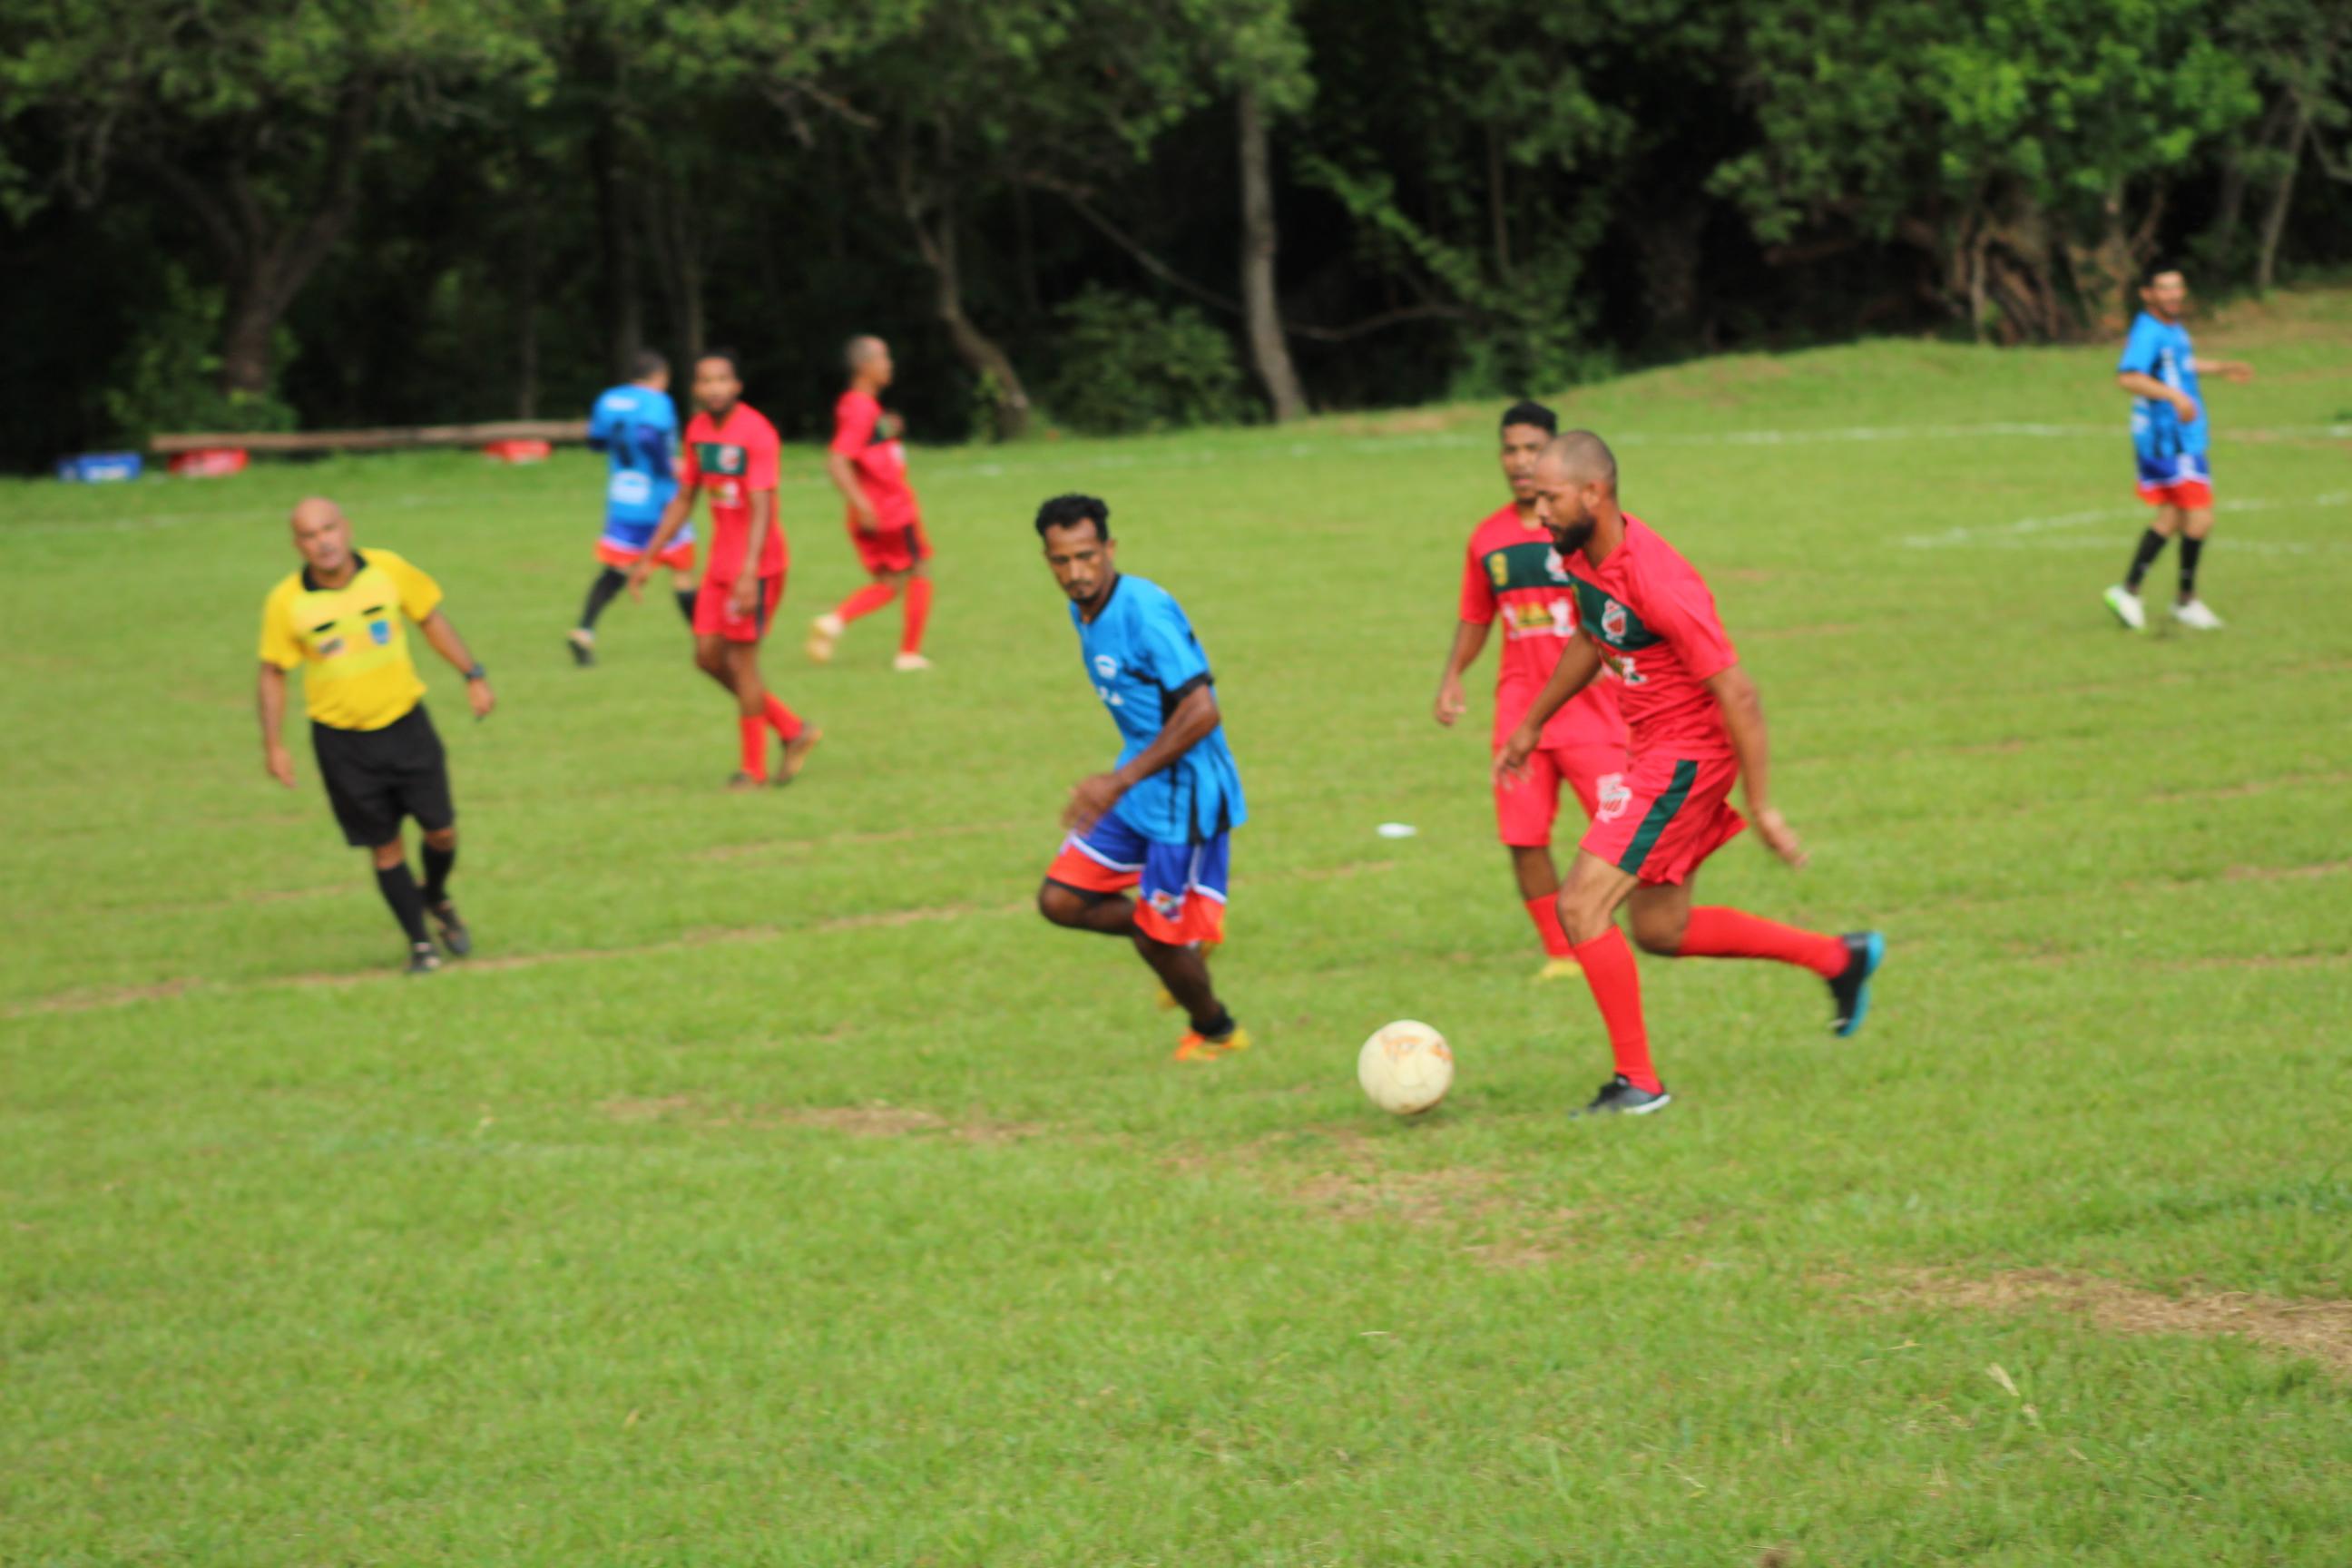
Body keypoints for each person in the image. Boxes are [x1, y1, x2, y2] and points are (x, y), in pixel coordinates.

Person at [1497, 433, 1883, 1116]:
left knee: (1581, 905)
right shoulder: (1582, 554)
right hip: (1651, 752)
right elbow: (1593, 634)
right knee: (1660, 929)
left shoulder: (1659, 580)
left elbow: (1741, 694)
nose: (1539, 508)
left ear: (1594, 494)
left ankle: (1638, 1084)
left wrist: (1763, 806)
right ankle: (1837, 957)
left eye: (1551, 496)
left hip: (1683, 761)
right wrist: (1532, 724)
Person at [1033, 494, 1250, 1062]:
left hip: (1188, 798)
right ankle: (1178, 937)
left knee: (1158, 941)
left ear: (1109, 549)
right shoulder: (1084, 611)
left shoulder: (1145, 613)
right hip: (1140, 787)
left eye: (1086, 556)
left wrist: (1119, 780)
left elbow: (1202, 712)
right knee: (1061, 900)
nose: (1076, 573)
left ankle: (1218, 1032)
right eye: (1061, 561)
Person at [257, 498, 495, 975]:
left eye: (328, 529)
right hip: (343, 743)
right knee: (385, 847)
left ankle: (436, 896)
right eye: (309, 535)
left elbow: (429, 618)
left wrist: (472, 674)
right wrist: (274, 745)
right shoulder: (287, 602)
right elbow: (273, 672)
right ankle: (420, 945)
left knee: (442, 831)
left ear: (346, 528)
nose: (322, 542)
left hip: (407, 725)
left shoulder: (388, 569)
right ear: (297, 544)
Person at [1436, 400, 1630, 982]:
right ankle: (1562, 953)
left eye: (1532, 449)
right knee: (1523, 838)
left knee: (1623, 834)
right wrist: (1453, 674)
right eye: (1510, 450)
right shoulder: (1487, 539)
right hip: (1520, 713)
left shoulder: (1586, 529)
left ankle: (1627, 923)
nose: (1520, 461)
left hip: (1594, 712)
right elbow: (1476, 615)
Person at [628, 349, 820, 789]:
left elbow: (762, 505)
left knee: (741, 662)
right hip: (720, 565)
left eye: (722, 380)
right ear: (695, 389)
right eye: (706, 381)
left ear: (736, 386)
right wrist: (648, 557)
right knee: (707, 658)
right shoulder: (697, 431)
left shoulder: (756, 432)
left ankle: (752, 770)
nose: (714, 388)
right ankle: (792, 729)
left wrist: (750, 572)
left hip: (757, 565)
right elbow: (684, 498)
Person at [2103, 265, 2254, 632]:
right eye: (2164, 288)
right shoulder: (2148, 331)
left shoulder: (2172, 328)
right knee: (2200, 517)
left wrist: (2220, 367)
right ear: (2147, 294)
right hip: (2167, 439)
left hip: (2182, 437)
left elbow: (2177, 364)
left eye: (2177, 287)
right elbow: (2128, 376)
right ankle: (2183, 600)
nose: (2173, 295)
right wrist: (2175, 397)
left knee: (2173, 517)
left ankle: (2131, 591)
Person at [806, 335, 935, 671]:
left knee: (889, 585)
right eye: (884, 358)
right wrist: (862, 504)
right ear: (865, 367)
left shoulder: (857, 405)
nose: (889, 365)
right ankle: (909, 654)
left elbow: (864, 445)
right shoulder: (861, 409)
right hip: (889, 508)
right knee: (920, 570)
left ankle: (834, 621)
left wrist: (886, 429)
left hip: (877, 509)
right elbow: (837, 460)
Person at [569, 349, 692, 665]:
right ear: (660, 376)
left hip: (624, 499)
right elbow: (648, 434)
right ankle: (706, 640)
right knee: (681, 570)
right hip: (660, 500)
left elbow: (595, 441)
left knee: (616, 570)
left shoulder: (609, 399)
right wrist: (666, 467)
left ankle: (584, 632)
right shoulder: (657, 401)